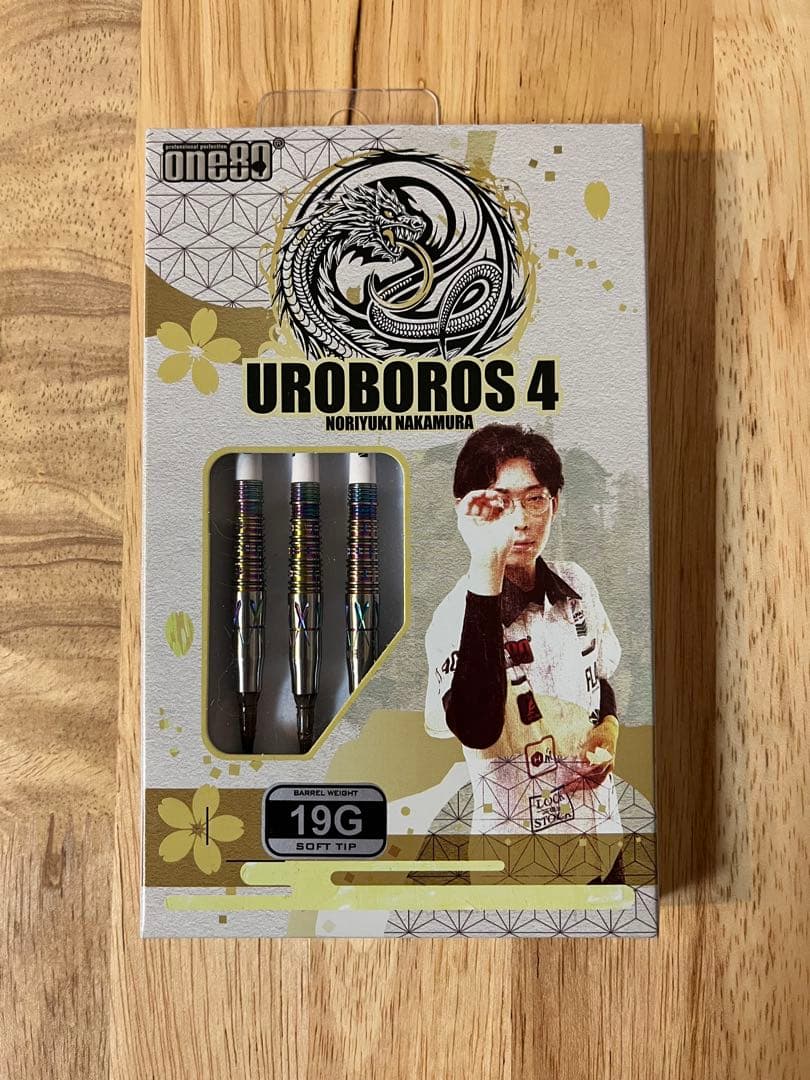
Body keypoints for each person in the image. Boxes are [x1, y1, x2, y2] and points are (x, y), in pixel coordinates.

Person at [424, 423, 624, 881]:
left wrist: (607, 729)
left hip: (600, 839)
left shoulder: (577, 584)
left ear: (554, 503)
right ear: (467, 510)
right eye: (500, 502)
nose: (520, 520)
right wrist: (486, 561)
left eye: (535, 499)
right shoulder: (454, 617)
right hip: (516, 863)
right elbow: (476, 729)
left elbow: (598, 677)